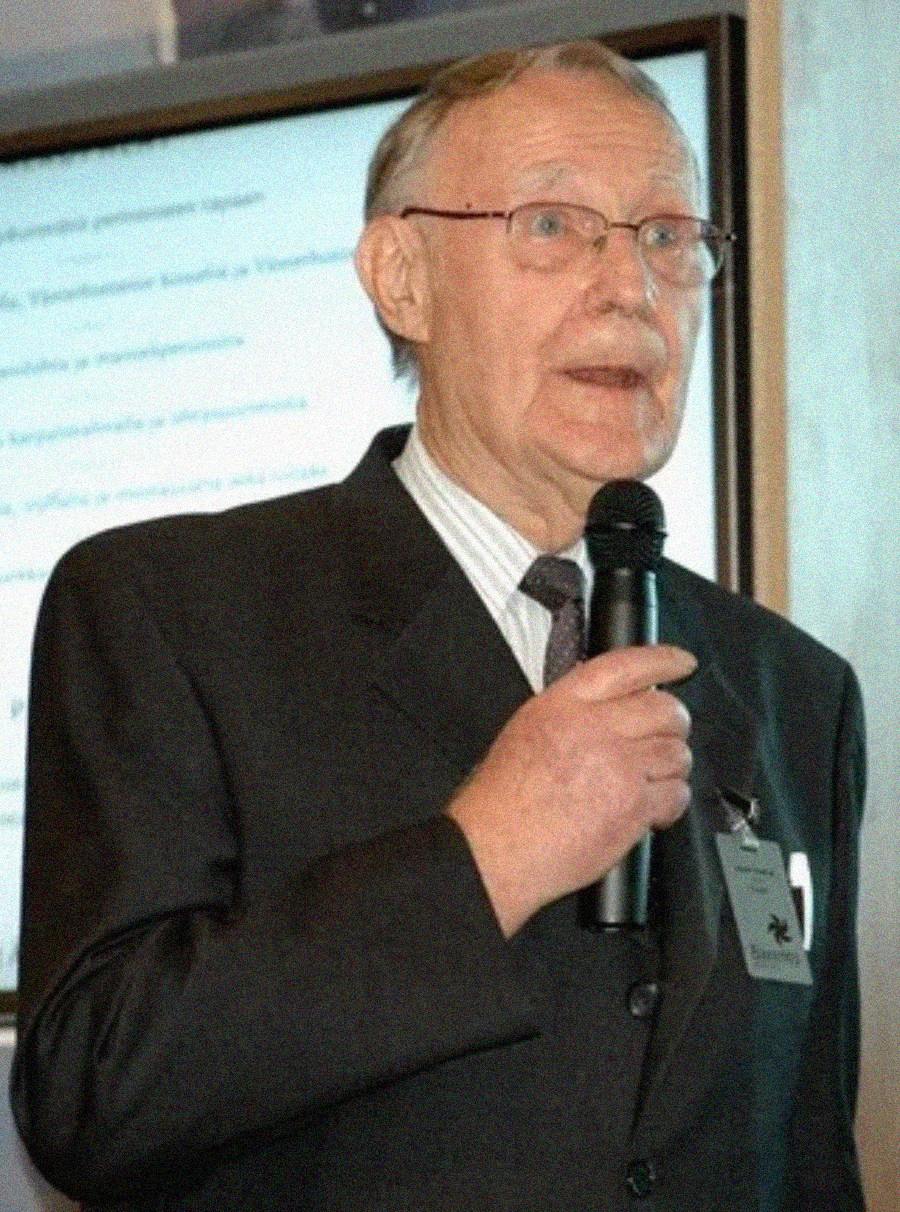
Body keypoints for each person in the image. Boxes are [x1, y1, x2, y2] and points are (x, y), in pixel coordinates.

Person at [11, 41, 866, 1211]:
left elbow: (807, 1150)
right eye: (555, 225)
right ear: (402, 276)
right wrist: (485, 862)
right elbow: (91, 1093)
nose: (632, 288)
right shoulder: (173, 611)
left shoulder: (791, 692)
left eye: (670, 237)